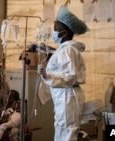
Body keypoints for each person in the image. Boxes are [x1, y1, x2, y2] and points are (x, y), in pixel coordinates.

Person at [37, 5, 89, 141]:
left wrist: (47, 75)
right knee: (63, 131)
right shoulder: (65, 50)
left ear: (64, 33)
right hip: (65, 97)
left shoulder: (67, 50)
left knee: (66, 134)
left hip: (67, 97)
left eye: (56, 30)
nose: (53, 33)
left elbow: (70, 77)